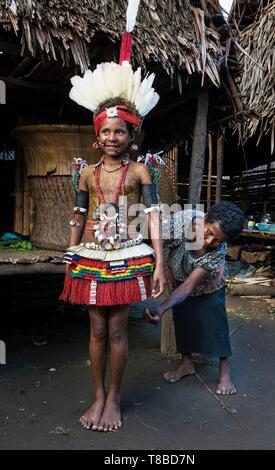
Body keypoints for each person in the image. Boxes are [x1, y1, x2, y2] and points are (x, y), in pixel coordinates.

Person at [60, 60, 166, 433]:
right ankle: (98, 396)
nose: (111, 137)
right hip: (91, 256)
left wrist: (159, 263)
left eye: (119, 132)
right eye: (105, 131)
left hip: (126, 254)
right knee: (96, 331)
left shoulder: (140, 172)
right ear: (97, 135)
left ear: (131, 136)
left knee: (119, 330)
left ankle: (115, 397)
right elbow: (77, 214)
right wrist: (71, 253)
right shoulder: (86, 173)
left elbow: (153, 216)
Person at [144, 202, 245, 395]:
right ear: (205, 218)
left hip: (208, 284)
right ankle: (186, 364)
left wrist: (161, 308)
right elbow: (158, 239)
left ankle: (225, 371)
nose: (209, 242)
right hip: (179, 274)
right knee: (183, 318)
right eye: (209, 233)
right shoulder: (181, 221)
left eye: (217, 240)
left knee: (216, 323)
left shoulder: (217, 253)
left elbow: (190, 285)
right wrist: (162, 268)